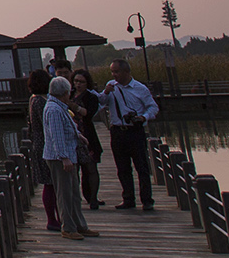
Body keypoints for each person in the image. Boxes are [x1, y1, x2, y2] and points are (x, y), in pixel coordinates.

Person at [103, 57, 159, 210]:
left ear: (126, 71)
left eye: (117, 72)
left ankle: (147, 200)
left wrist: (144, 117)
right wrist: (106, 93)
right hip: (117, 131)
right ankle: (128, 198)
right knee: (122, 168)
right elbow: (100, 103)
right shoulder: (111, 88)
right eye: (112, 72)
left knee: (142, 166)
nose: (114, 75)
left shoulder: (140, 88)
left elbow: (153, 107)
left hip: (135, 131)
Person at [43, 76, 95, 239]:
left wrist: (79, 136)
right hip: (60, 158)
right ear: (64, 93)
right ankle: (68, 227)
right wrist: (64, 158)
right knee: (65, 194)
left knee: (73, 193)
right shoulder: (53, 109)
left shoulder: (60, 106)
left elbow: (68, 126)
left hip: (69, 155)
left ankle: (79, 225)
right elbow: (56, 136)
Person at [25, 68, 56, 230]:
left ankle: (55, 217)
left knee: (50, 183)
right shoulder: (40, 102)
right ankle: (52, 219)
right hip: (45, 145)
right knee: (50, 183)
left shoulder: (33, 99)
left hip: (39, 143)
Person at [71, 67, 105, 210]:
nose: (78, 84)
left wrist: (75, 107)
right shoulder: (69, 94)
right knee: (75, 169)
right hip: (73, 134)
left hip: (87, 133)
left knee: (91, 168)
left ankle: (93, 198)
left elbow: (89, 114)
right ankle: (76, 197)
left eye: (82, 82)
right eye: (76, 81)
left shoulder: (91, 97)